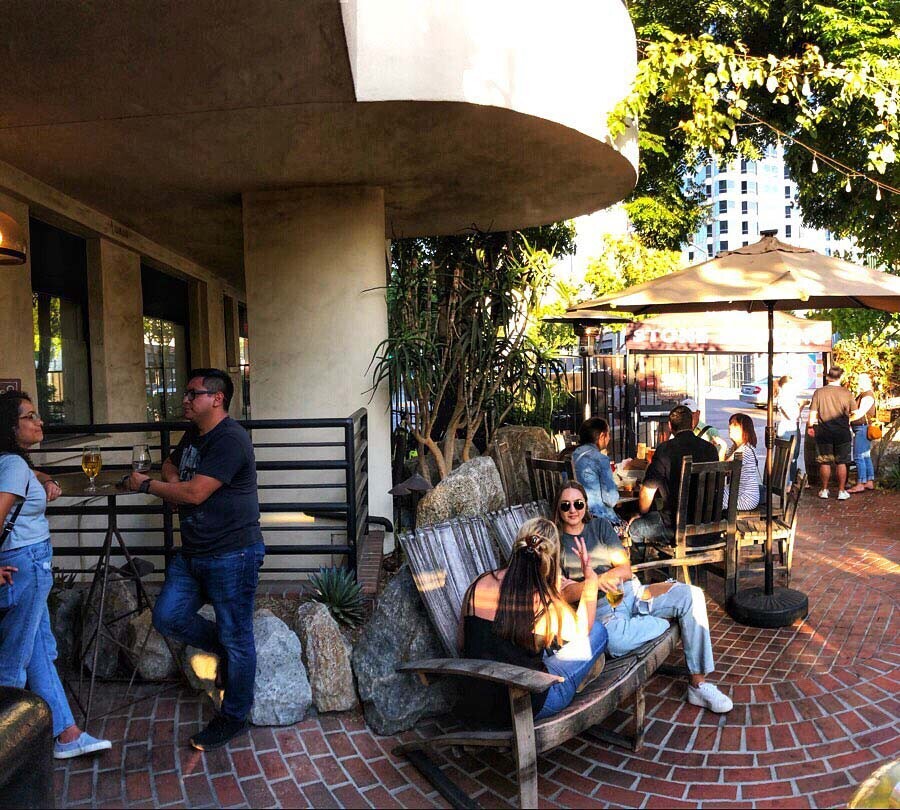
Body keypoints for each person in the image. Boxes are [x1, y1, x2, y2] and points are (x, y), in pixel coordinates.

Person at [126, 369, 265, 751]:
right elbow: (174, 468)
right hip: (194, 552)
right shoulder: (194, 434)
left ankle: (233, 717)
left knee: (238, 637)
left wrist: (147, 485)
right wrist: (171, 480)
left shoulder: (231, 439)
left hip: (232, 554)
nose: (184, 399)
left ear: (216, 399)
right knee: (167, 616)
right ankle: (221, 647)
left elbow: (193, 493)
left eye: (193, 394)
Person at [0, 391, 112, 759]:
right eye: (30, 416)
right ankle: (11, 757)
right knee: (13, 664)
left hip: (28, 563)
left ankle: (67, 733)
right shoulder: (13, 467)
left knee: (38, 652)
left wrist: (46, 483)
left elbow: (33, 476)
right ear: (11, 426)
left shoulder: (12, 463)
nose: (40, 421)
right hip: (26, 565)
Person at [553, 483, 733, 713]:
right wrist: (594, 583)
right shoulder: (556, 543)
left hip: (632, 592)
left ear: (585, 505)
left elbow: (625, 570)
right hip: (601, 610)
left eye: (578, 504)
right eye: (565, 505)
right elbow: (563, 593)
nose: (572, 510)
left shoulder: (599, 527)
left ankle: (698, 685)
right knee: (615, 641)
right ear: (558, 509)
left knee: (692, 596)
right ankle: (662, 623)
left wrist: (600, 578)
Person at [458, 517, 607, 722]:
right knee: (599, 631)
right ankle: (578, 680)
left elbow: (461, 643)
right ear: (551, 558)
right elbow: (583, 631)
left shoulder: (479, 583)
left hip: (477, 701)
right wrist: (590, 579)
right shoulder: (546, 604)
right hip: (525, 705)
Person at [627, 405, 719, 547]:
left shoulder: (665, 450)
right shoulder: (711, 449)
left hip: (677, 528)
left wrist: (642, 513)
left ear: (670, 426)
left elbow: (647, 492)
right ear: (692, 423)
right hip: (712, 529)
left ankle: (654, 566)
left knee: (635, 528)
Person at [807, 366, 856, 500]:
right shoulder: (847, 393)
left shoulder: (819, 392)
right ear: (841, 377)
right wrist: (847, 420)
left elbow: (812, 413)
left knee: (825, 462)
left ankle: (824, 490)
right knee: (842, 462)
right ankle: (841, 491)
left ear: (828, 376)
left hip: (823, 432)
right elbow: (855, 413)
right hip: (842, 433)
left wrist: (810, 427)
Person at [571, 417, 620, 524]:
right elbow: (611, 500)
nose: (609, 438)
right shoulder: (600, 459)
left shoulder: (572, 456)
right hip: (596, 519)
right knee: (632, 519)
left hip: (573, 515)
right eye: (608, 434)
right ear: (602, 436)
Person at [720, 413, 761, 512]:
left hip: (745, 498)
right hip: (734, 491)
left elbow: (722, 470)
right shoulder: (735, 448)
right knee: (709, 493)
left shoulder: (744, 450)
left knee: (711, 498)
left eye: (734, 425)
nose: (730, 427)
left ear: (744, 429)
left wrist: (722, 447)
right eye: (730, 424)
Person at [847, 373, 877, 494]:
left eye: (861, 380)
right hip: (862, 427)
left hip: (862, 427)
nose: (859, 382)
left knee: (859, 456)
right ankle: (869, 481)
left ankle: (861, 483)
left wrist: (847, 419)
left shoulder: (868, 395)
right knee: (865, 456)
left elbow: (860, 412)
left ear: (868, 382)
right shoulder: (865, 394)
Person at [775, 375, 802, 483]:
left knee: (793, 457)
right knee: (788, 458)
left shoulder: (789, 398)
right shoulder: (784, 398)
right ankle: (787, 484)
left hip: (793, 429)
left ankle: (791, 482)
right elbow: (792, 416)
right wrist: (802, 405)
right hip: (788, 430)